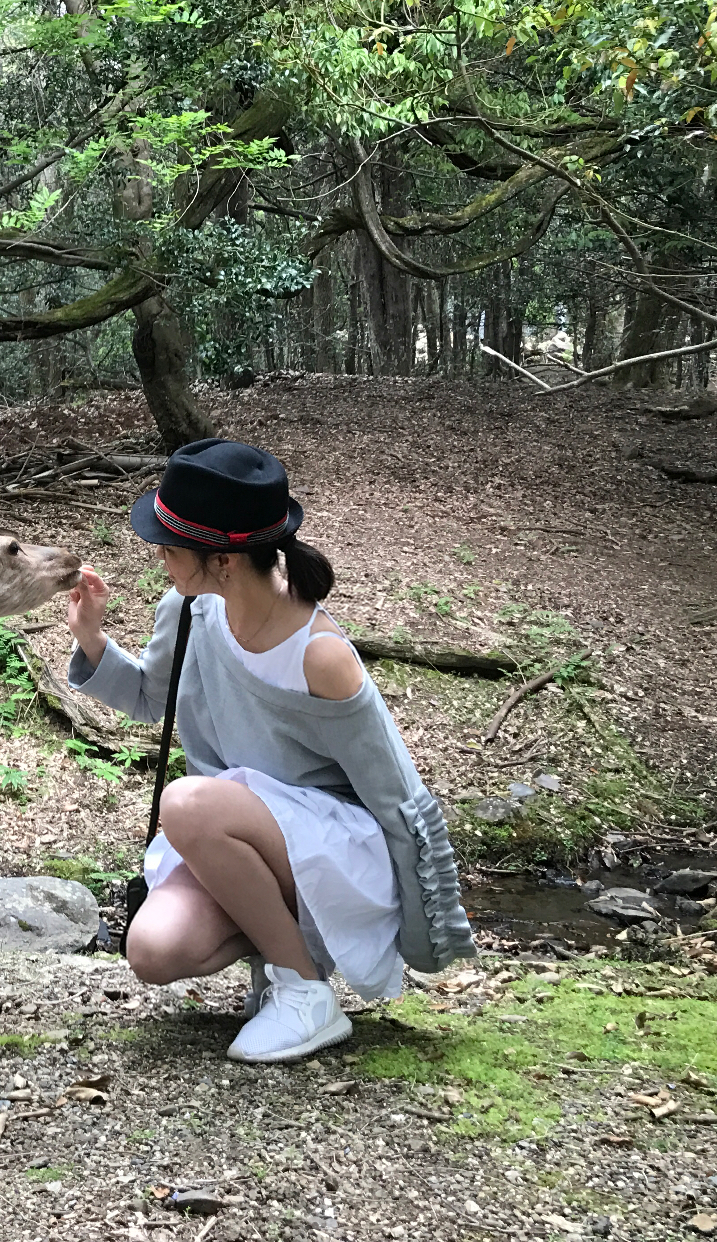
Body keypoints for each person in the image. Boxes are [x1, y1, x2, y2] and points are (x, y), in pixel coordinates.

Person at [66, 439, 474, 1063]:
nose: (159, 560)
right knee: (153, 950)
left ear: (225, 562)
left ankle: (304, 994)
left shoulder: (321, 655)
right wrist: (93, 639)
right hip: (229, 832)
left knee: (189, 802)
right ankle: (285, 958)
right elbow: (154, 697)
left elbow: (395, 793)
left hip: (335, 847)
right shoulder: (190, 608)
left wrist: (429, 926)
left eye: (170, 549)